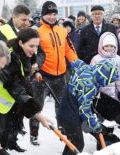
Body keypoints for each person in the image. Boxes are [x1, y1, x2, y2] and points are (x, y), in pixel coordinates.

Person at [0, 28, 53, 155]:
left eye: (37, 46)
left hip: (9, 100)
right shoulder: (10, 57)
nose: (35, 50)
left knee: (4, 133)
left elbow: (23, 81)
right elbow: (14, 85)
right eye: (31, 46)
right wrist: (36, 113)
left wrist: (33, 105)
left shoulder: (25, 55)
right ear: (21, 42)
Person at [29, 1, 78, 145]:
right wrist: (35, 69)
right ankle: (34, 133)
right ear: (43, 14)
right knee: (36, 106)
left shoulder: (62, 30)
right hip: (42, 75)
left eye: (54, 14)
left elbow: (69, 50)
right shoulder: (36, 31)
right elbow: (31, 52)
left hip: (60, 75)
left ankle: (62, 130)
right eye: (49, 14)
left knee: (62, 105)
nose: (52, 17)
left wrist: (76, 63)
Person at [57, 59, 119, 155]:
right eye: (108, 81)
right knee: (78, 144)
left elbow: (75, 63)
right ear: (103, 76)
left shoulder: (85, 69)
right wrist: (95, 126)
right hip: (71, 116)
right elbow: (84, 110)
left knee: (73, 141)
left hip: (65, 109)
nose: (106, 84)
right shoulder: (89, 86)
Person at [90, 32, 120, 99]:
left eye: (111, 46)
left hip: (115, 91)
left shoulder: (118, 59)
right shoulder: (96, 59)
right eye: (106, 46)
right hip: (100, 92)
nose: (109, 48)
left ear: (115, 47)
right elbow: (92, 76)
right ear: (102, 46)